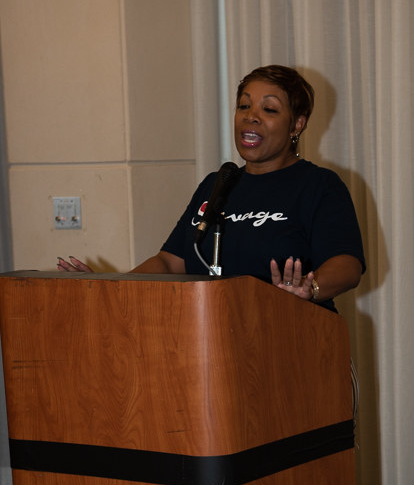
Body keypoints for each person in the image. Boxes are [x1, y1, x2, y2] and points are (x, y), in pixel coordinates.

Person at [58, 65, 365, 310]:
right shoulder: (218, 184)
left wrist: (310, 288)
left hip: (290, 340)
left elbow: (347, 264)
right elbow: (170, 262)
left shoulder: (318, 185)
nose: (251, 116)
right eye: (244, 105)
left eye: (269, 109)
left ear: (297, 124)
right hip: (213, 341)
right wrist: (111, 287)